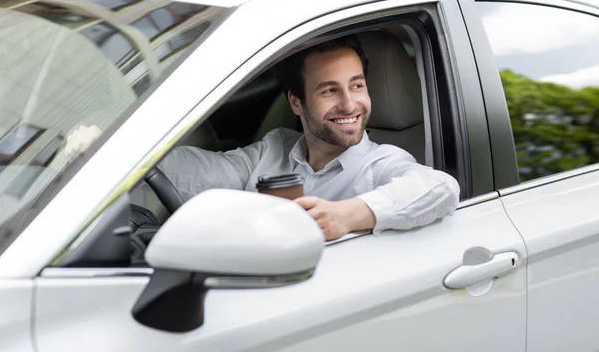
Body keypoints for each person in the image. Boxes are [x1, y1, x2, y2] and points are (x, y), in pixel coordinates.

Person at [156, 35, 460, 241]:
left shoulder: (381, 164)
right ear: (296, 103)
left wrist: (349, 215)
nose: (349, 104)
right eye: (329, 90)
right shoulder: (274, 147)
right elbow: (197, 171)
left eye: (356, 86)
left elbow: (441, 188)